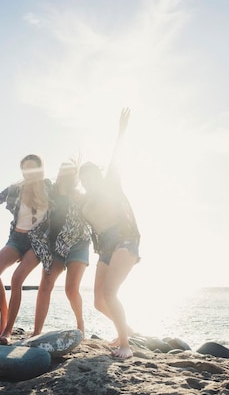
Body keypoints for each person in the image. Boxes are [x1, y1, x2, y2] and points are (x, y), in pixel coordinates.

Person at [78, 107, 141, 359]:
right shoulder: (85, 202)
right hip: (105, 248)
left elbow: (116, 157)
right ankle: (127, 329)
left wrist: (121, 131)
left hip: (125, 241)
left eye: (91, 175)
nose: (88, 180)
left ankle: (125, 345)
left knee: (110, 294)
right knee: (98, 301)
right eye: (84, 178)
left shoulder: (110, 184)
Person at [0, 154, 50, 345]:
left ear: (40, 169)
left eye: (33, 168)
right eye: (25, 169)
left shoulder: (49, 188)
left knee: (16, 279)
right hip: (17, 239)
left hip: (37, 243)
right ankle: (4, 318)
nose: (29, 173)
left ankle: (8, 331)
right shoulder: (15, 189)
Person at [30, 161, 91, 337]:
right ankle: (36, 331)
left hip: (78, 243)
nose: (66, 175)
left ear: (75, 177)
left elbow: (93, 212)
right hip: (55, 246)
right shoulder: (50, 193)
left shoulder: (78, 196)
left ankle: (80, 324)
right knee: (45, 285)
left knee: (71, 289)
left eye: (71, 173)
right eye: (63, 171)